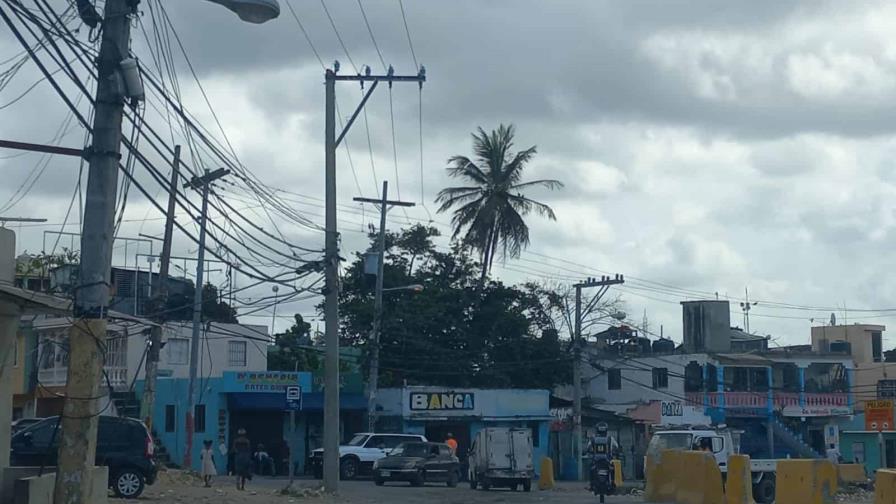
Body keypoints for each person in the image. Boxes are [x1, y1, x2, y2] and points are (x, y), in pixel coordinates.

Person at [586, 423, 619, 493]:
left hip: (596, 461)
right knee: (613, 469)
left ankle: (591, 484)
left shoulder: (592, 439)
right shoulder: (610, 438)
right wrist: (615, 452)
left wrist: (590, 453)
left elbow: (588, 448)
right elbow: (616, 447)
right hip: (607, 460)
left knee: (591, 469)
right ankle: (613, 483)